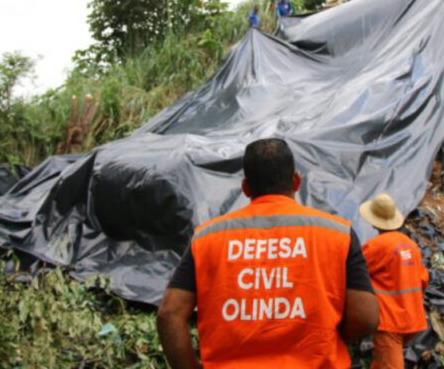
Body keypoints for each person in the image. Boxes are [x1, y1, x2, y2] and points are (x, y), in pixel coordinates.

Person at [157, 138, 379, 368]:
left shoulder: (207, 238)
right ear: (296, 181)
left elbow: (169, 314)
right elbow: (366, 317)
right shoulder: (336, 232)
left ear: (245, 188)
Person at [360, 194, 429, 369]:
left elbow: (356, 272)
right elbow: (423, 279)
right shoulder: (410, 245)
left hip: (390, 321)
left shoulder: (377, 246)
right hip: (412, 320)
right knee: (382, 362)